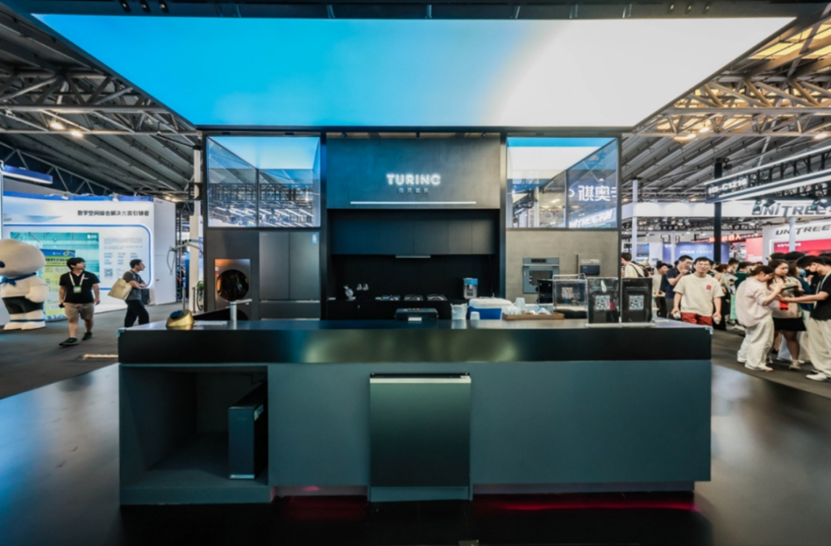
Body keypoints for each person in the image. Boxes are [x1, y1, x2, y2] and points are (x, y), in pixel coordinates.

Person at [779, 256, 831, 382]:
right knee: (818, 344)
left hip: (828, 316)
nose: (806, 270)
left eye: (807, 267)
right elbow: (815, 297)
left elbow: (822, 296)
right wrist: (796, 295)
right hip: (817, 314)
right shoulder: (818, 277)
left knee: (828, 344)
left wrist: (790, 299)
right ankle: (825, 370)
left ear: (815, 264)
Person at [736, 265, 783, 372]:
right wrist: (776, 291)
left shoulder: (745, 282)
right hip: (761, 315)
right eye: (769, 275)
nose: (770, 278)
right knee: (762, 341)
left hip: (749, 315)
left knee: (750, 337)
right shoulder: (757, 285)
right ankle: (755, 363)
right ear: (761, 273)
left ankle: (743, 357)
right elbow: (764, 301)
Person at [768, 259, 806, 370]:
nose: (785, 270)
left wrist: (798, 290)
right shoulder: (767, 280)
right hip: (772, 312)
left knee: (791, 337)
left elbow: (800, 294)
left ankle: (795, 361)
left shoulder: (793, 280)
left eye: (786, 268)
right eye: (782, 268)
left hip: (790, 313)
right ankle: (766, 356)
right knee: (770, 337)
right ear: (773, 268)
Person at [57, 257, 100, 347]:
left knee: (88, 318)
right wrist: (61, 299)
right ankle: (72, 337)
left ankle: (88, 332)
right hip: (70, 302)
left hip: (87, 301)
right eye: (81, 263)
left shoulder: (90, 275)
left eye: (84, 262)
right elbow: (62, 288)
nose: (84, 264)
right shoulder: (65, 276)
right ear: (72, 265)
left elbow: (95, 286)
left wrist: (97, 297)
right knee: (72, 319)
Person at [671, 257, 723, 326]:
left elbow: (716, 297)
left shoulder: (713, 281)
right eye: (700, 264)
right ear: (694, 266)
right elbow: (678, 293)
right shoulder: (685, 279)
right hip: (688, 310)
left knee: (704, 331)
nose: (703, 266)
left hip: (706, 311)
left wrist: (718, 311)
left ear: (710, 267)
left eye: (706, 264)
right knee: (691, 330)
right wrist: (676, 306)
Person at [123, 259, 150, 328]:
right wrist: (139, 285)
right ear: (136, 266)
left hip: (136, 297)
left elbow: (144, 284)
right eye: (141, 264)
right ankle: (144, 330)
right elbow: (134, 285)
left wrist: (138, 285)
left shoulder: (137, 275)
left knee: (131, 316)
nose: (143, 266)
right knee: (144, 314)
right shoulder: (128, 274)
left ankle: (126, 330)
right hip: (131, 298)